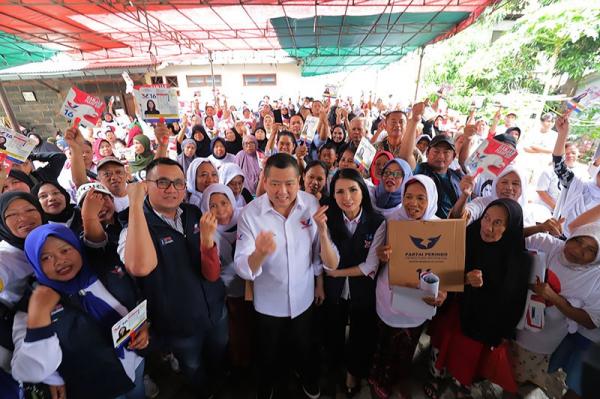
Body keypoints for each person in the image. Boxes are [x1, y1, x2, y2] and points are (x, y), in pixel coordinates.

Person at [234, 153, 339, 399]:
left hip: (304, 298)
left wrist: (320, 282)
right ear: (264, 180)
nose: (283, 191)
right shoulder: (251, 214)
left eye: (289, 183)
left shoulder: (311, 205)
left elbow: (316, 252)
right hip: (268, 303)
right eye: (275, 183)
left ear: (300, 180)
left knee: (305, 347)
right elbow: (242, 265)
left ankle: (308, 379)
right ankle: (267, 387)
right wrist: (259, 253)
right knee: (268, 352)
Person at [119, 158, 227, 398]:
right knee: (193, 366)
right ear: (146, 185)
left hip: (216, 310)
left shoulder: (192, 212)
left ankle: (221, 385)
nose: (172, 189)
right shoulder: (134, 227)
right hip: (179, 325)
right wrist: (135, 204)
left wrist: (208, 242)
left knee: (219, 353)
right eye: (163, 182)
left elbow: (211, 269)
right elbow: (139, 267)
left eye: (178, 183)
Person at [11, 224, 149, 399]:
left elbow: (133, 300)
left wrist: (142, 325)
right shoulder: (33, 306)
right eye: (46, 258)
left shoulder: (103, 269)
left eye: (65, 250)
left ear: (77, 246)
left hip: (134, 360)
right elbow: (26, 370)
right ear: (35, 263)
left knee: (138, 392)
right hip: (97, 387)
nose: (60, 260)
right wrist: (38, 322)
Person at [428, 199, 532, 397]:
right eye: (486, 218)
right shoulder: (469, 236)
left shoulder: (519, 258)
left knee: (468, 356)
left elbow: (514, 301)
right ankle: (435, 375)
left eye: (498, 223)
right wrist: (465, 280)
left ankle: (461, 384)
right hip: (456, 309)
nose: (488, 227)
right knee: (442, 344)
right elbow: (444, 272)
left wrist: (504, 331)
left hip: (484, 321)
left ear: (510, 227)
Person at [370, 175, 446, 399]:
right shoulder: (392, 219)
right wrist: (382, 255)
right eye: (409, 196)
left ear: (431, 199)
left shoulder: (440, 228)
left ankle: (398, 379)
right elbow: (376, 256)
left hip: (418, 299)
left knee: (407, 344)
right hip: (389, 295)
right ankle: (379, 378)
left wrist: (444, 292)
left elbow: (446, 268)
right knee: (384, 341)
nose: (413, 203)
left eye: (421, 198)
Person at [512, 223, 600, 399]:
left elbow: (591, 321)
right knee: (497, 365)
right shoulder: (546, 243)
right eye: (579, 241)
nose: (579, 250)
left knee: (518, 379)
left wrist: (554, 298)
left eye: (590, 249)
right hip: (510, 323)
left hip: (539, 342)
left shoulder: (595, 278)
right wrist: (539, 228)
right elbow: (511, 238)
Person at [323, 168, 385, 397]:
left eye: (352, 190)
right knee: (333, 329)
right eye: (339, 192)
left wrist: (337, 274)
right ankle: (334, 366)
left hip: (363, 290)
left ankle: (353, 373)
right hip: (334, 290)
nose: (346, 197)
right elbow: (325, 259)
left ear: (363, 192)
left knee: (361, 333)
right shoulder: (327, 219)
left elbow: (370, 266)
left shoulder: (377, 222)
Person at [200, 184, 253, 368]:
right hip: (227, 293)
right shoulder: (207, 232)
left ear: (233, 201)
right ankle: (239, 364)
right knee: (235, 331)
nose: (221, 210)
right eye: (212, 205)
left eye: (224, 202)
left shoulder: (246, 219)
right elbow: (211, 272)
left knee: (253, 326)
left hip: (252, 287)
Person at [0, 192, 45, 397]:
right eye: (12, 214)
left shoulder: (50, 237)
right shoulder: (5, 255)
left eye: (30, 210)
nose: (24, 218)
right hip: (19, 337)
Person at [553, 115, 600, 237]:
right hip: (560, 238)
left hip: (589, 253)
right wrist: (562, 134)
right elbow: (559, 165)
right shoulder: (579, 184)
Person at [414, 135, 463, 218]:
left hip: (452, 227)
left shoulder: (458, 177)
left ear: (453, 156)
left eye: (446, 152)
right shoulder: (418, 171)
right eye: (436, 152)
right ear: (427, 153)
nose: (441, 156)